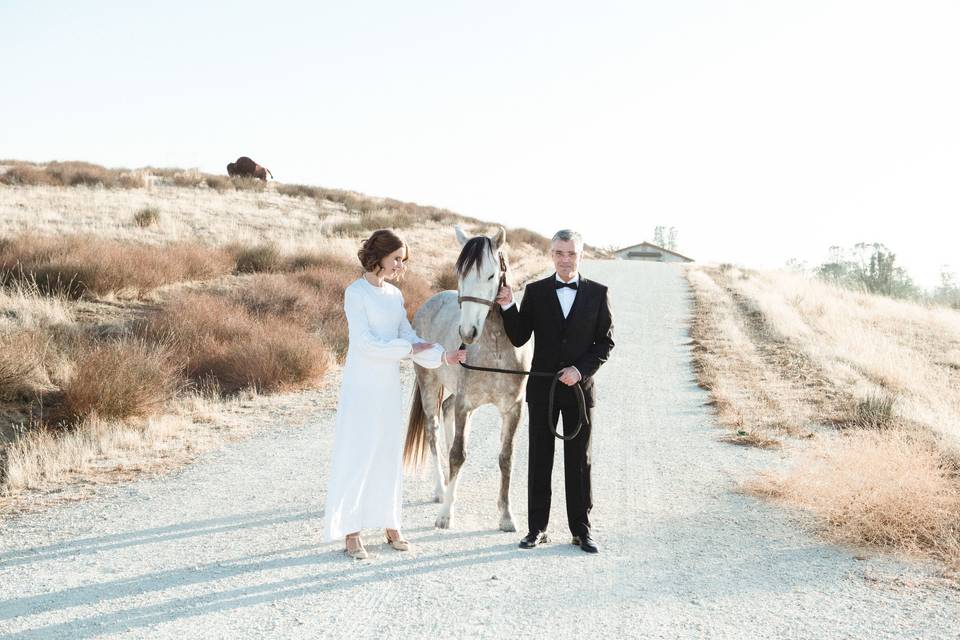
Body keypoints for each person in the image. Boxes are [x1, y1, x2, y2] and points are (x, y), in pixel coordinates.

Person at [323, 229, 467, 559]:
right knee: (360, 454)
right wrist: (408, 348)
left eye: (403, 260)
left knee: (388, 454)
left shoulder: (394, 296)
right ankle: (352, 531)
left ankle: (391, 524)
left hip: (387, 387)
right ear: (379, 256)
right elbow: (364, 343)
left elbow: (410, 337)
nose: (401, 265)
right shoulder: (356, 293)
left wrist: (444, 356)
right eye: (397, 259)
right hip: (362, 386)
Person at [496, 229, 614, 553]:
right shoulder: (535, 292)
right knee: (540, 458)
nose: (565, 259)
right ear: (551, 255)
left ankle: (581, 530)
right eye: (559, 253)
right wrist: (508, 307)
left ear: (581, 255)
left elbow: (605, 343)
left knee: (579, 461)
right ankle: (537, 528)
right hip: (542, 389)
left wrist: (580, 370)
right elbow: (519, 337)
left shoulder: (598, 293)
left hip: (579, 391)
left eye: (571, 253)